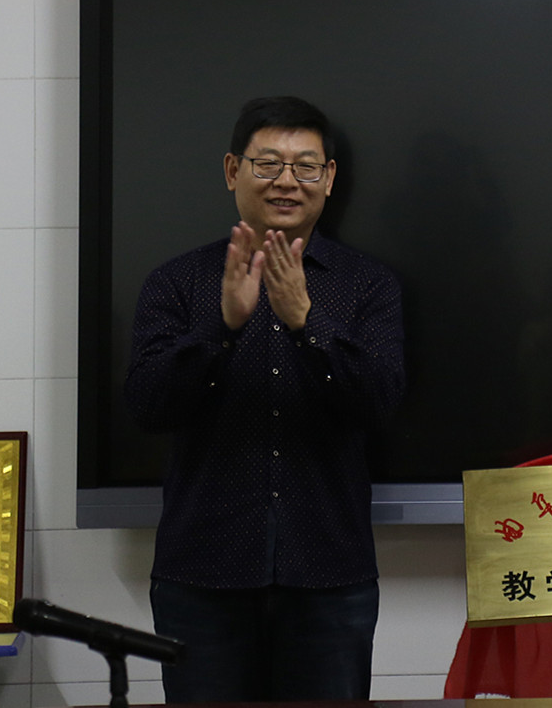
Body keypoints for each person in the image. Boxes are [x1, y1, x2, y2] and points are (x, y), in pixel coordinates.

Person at [124, 96, 405, 703]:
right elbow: (146, 406)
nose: (286, 181)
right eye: (268, 163)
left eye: (305, 166)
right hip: (202, 576)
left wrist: (309, 323)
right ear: (233, 171)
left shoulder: (368, 285)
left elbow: (380, 402)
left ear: (329, 178)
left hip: (330, 576)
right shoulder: (178, 282)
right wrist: (220, 328)